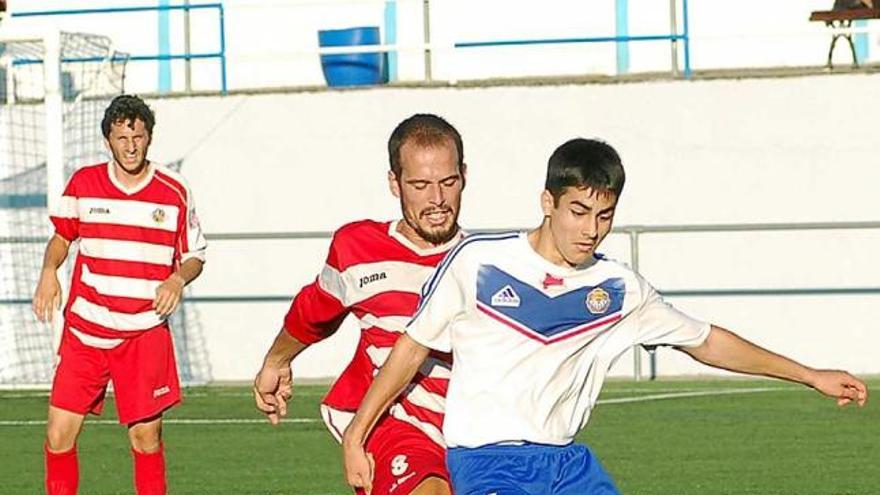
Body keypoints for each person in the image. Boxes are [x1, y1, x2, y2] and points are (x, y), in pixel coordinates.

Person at [342, 138, 869, 495]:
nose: (591, 229)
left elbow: (707, 341)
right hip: (488, 463)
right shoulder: (479, 263)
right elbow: (410, 348)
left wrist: (809, 375)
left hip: (567, 465)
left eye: (604, 215)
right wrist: (357, 434)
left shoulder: (619, 290)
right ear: (547, 202)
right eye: (578, 211)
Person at [253, 114, 467, 495]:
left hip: (473, 434)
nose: (436, 199)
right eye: (419, 185)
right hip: (392, 426)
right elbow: (313, 313)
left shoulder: (484, 261)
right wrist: (277, 360)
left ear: (464, 176)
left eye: (447, 182)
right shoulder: (357, 248)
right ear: (394, 183)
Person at [33, 94, 207, 495]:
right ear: (107, 140)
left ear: (149, 138)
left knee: (145, 441)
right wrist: (49, 270)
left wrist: (177, 280)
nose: (130, 146)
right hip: (86, 332)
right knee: (59, 435)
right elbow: (62, 236)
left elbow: (195, 255)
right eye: (121, 137)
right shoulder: (84, 184)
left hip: (144, 334)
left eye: (138, 136)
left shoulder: (173, 190)